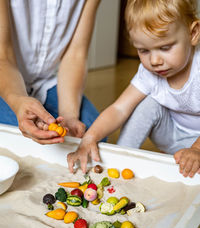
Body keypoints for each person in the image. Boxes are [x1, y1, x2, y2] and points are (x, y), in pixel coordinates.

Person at [67, 0, 200, 178]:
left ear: (193, 33)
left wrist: (196, 150)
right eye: (144, 51)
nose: (154, 61)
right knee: (148, 102)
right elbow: (119, 109)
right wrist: (90, 137)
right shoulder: (150, 72)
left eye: (165, 48)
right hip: (171, 133)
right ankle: (122, 157)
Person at [0, 0, 101, 144]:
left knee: (93, 132)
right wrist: (18, 101)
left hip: (44, 81)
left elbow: (75, 54)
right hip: (4, 79)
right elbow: (3, 56)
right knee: (20, 139)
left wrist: (69, 115)